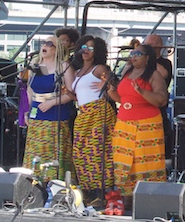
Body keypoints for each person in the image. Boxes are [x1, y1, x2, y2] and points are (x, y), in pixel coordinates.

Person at [106, 43, 168, 215]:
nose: (133, 56)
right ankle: (126, 198)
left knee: (143, 163)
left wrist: (142, 91)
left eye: (138, 54)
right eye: (132, 53)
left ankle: (148, 200)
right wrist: (111, 91)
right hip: (124, 124)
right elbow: (123, 99)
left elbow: (161, 100)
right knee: (125, 162)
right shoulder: (127, 72)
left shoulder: (154, 75)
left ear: (147, 58)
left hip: (146, 124)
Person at [70, 35, 116, 210]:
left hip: (99, 112)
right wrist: (68, 93)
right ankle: (88, 191)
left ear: (97, 52)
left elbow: (113, 86)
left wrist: (106, 84)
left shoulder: (99, 68)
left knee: (98, 152)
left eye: (91, 48)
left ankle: (101, 192)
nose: (86, 50)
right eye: (84, 47)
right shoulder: (77, 72)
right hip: (83, 114)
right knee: (80, 153)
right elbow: (80, 96)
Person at [22, 36, 75, 181]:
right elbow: (30, 90)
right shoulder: (35, 64)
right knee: (35, 152)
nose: (44, 45)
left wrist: (52, 103)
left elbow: (70, 93)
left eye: (49, 44)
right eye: (44, 43)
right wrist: (27, 111)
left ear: (57, 50)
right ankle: (34, 182)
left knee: (53, 153)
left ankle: (55, 183)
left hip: (55, 116)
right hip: (36, 114)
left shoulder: (63, 66)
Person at [141, 34, 173, 161]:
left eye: (150, 45)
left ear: (159, 46)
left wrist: (150, 59)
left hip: (157, 109)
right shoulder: (141, 63)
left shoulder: (165, 63)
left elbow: (164, 74)